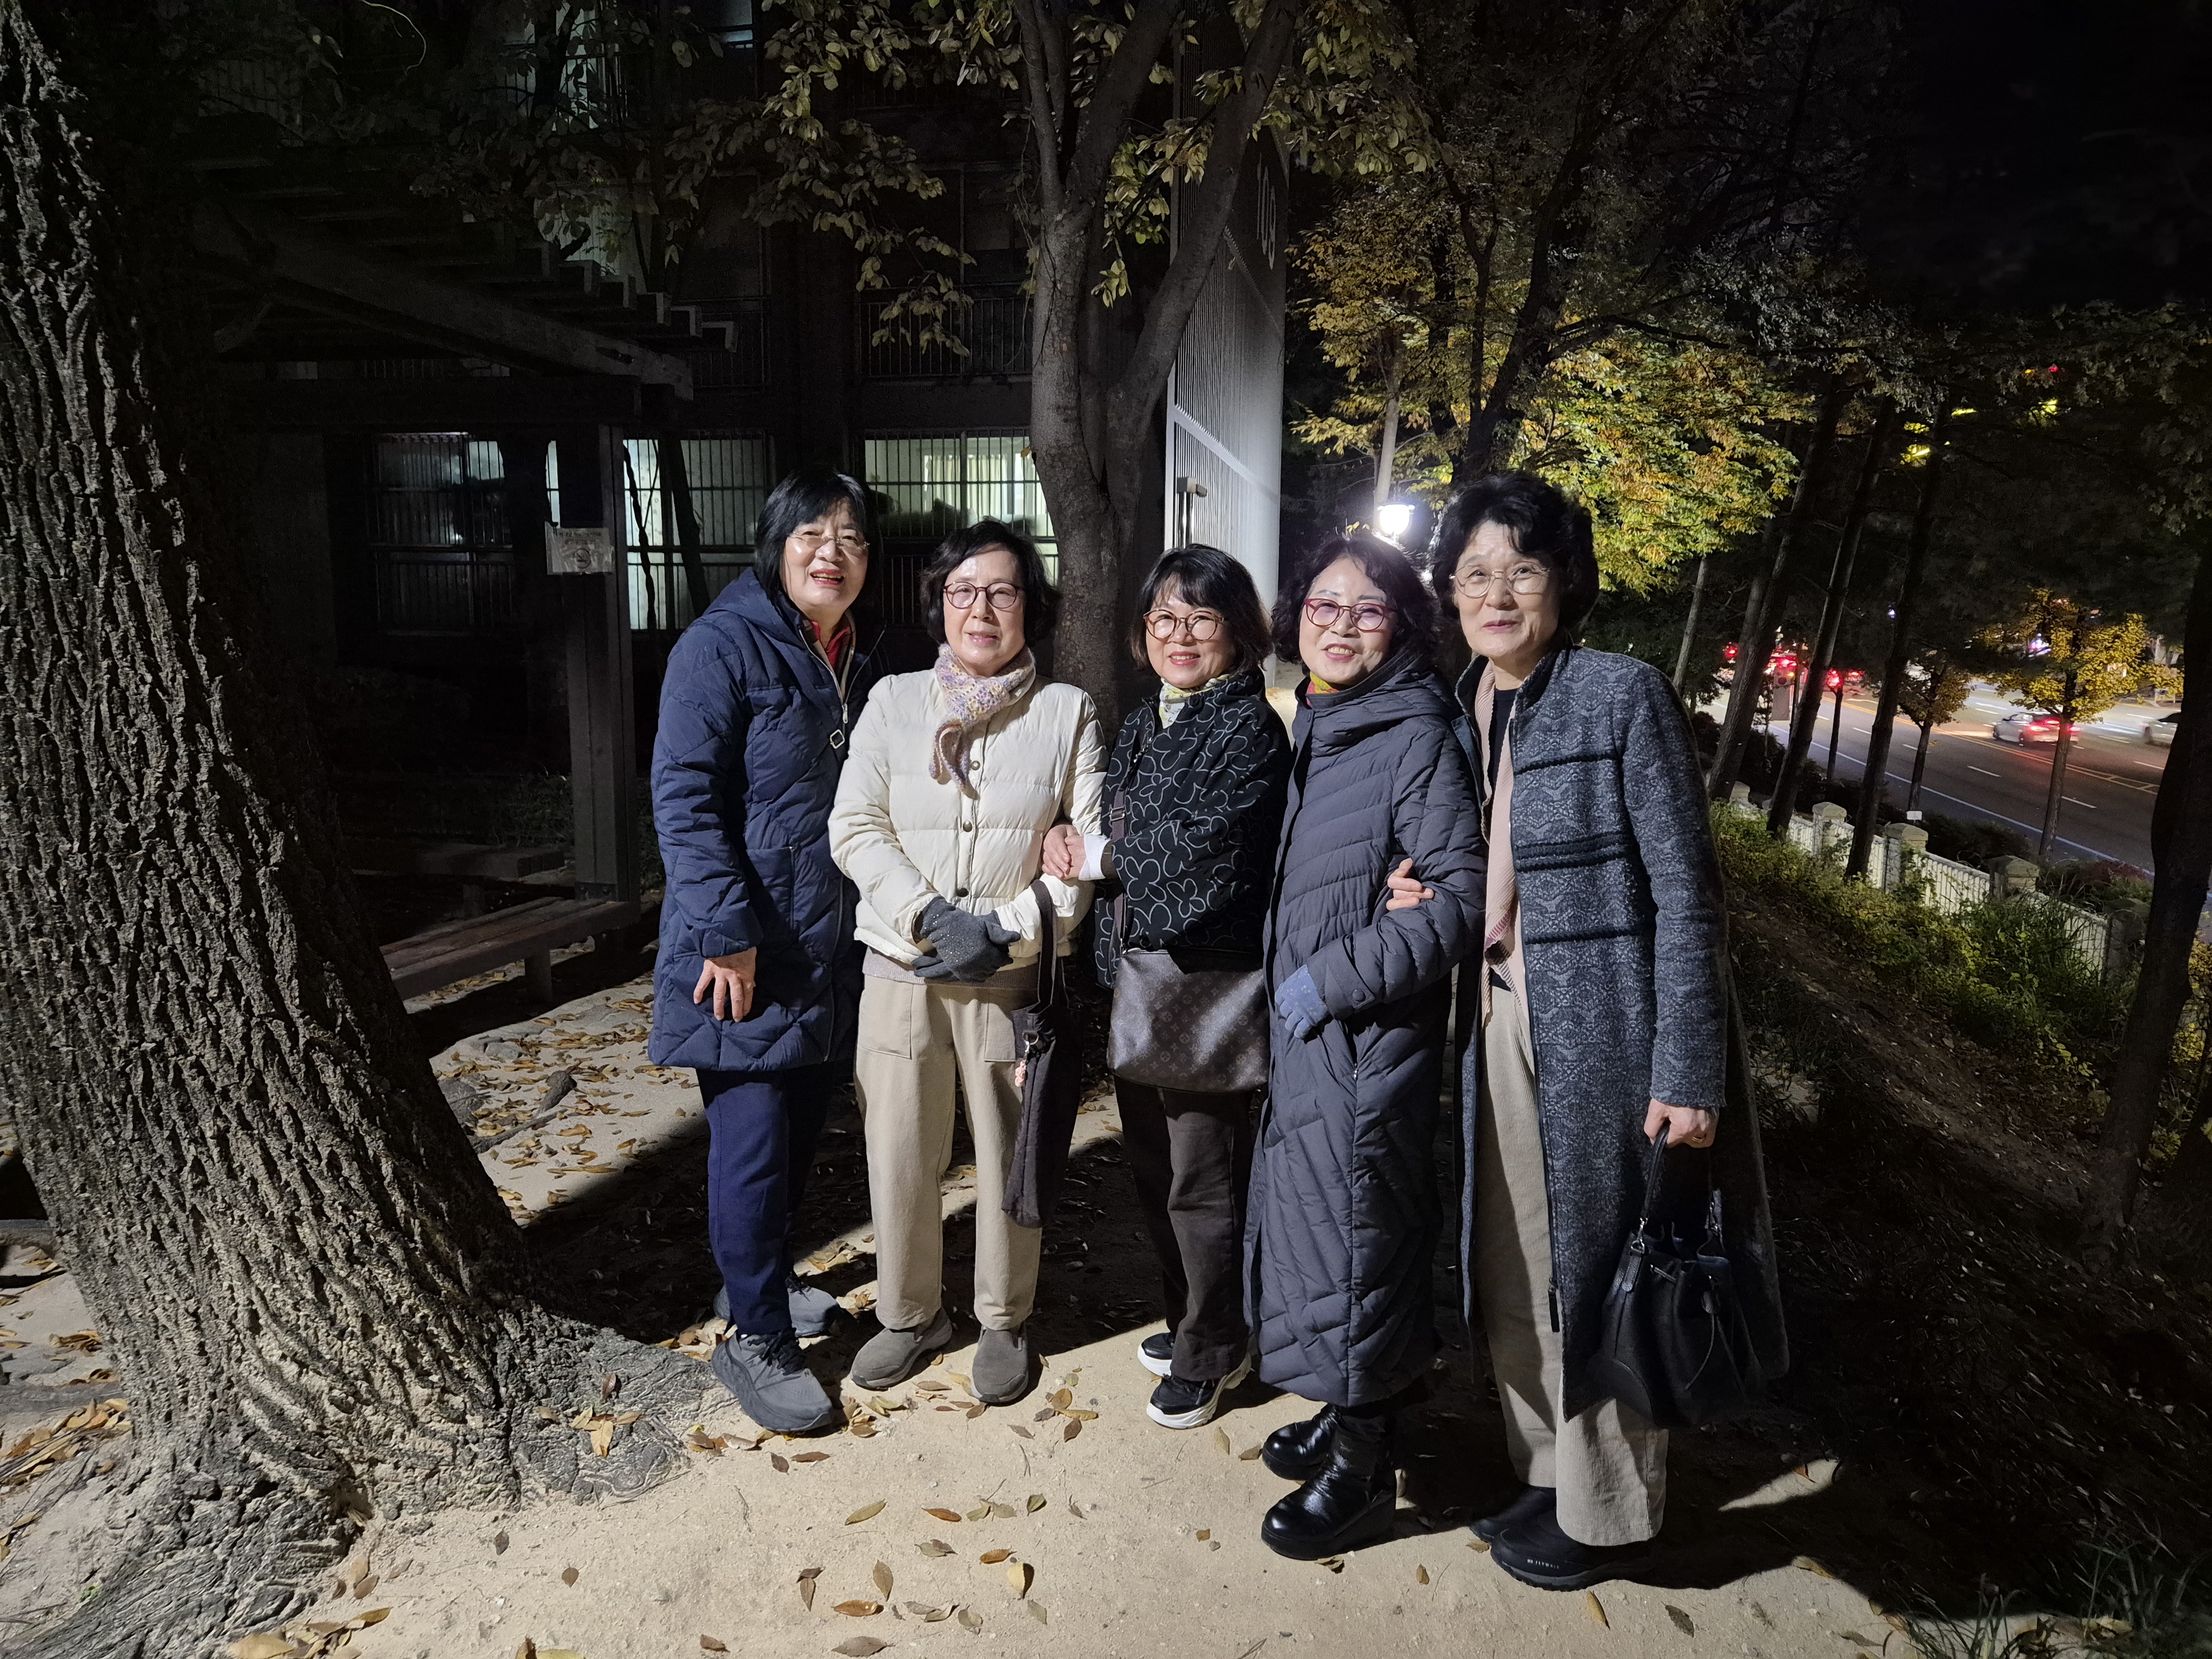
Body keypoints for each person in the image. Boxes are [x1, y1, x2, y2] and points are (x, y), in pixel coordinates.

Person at [1388, 471, 1787, 1590]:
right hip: (1491, 1020)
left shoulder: (1622, 694)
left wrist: (1688, 1069)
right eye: (1474, 573)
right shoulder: (1459, 702)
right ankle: (1543, 1469)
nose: (1495, 593)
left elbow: (1689, 893)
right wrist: (1415, 889)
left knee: (1603, 1266)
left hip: (1607, 1029)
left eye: (1520, 569)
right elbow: (1462, 859)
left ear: (1562, 581)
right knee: (1514, 1252)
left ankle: (1610, 1512)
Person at [1244, 534, 1485, 1561]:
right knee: (1325, 1234)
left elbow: (1459, 899)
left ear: (1403, 627)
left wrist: (1323, 983)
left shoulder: (1412, 731)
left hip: (1363, 1038)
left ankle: (1366, 1468)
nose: (1341, 626)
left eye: (1368, 609)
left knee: (1357, 1240)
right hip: (1318, 1037)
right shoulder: (1326, 719)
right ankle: (1343, 1411)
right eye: (1324, 606)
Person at [828, 520, 1104, 1406]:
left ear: (1031, 605)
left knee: (1007, 1150)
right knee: (898, 1149)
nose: (981, 609)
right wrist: (933, 919)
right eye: (962, 591)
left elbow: (1085, 854)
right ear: (939, 603)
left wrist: (1005, 932)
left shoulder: (1066, 712)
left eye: (1003, 591)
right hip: (901, 962)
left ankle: (1002, 1318)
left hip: (1008, 974)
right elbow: (854, 826)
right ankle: (910, 1314)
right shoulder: (894, 701)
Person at [648, 466, 879, 1434]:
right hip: (744, 948)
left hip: (826, 942)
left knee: (797, 1136)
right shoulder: (721, 644)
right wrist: (728, 934)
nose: (832, 554)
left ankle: (764, 1281)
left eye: (851, 539)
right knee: (750, 1143)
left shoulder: (853, 649)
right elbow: (683, 797)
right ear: (776, 546)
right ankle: (754, 1339)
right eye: (811, 536)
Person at [1040, 546, 1291, 1433]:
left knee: (1203, 1179)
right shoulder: (1154, 715)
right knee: (1156, 1168)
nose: (1179, 636)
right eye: (1163, 619)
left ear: (1238, 631)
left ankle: (1215, 1349)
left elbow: (1209, 858)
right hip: (1142, 979)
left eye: (1201, 618)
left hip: (1206, 985)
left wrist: (1101, 856)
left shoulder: (1248, 726)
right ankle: (1193, 1319)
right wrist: (1078, 842)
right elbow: (1116, 827)